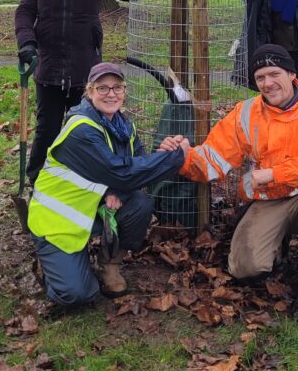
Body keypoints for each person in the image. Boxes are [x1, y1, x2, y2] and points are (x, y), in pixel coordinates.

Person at [172, 44, 298, 322]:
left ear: (291, 74)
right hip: (268, 200)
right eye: (260, 78)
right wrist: (184, 157)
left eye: (274, 74)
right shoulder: (245, 113)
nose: (267, 83)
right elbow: (214, 158)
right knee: (245, 268)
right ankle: (276, 244)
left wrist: (276, 174)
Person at [15, 0, 167, 185]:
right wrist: (27, 42)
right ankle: (36, 182)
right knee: (46, 131)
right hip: (48, 69)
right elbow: (25, 11)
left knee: (85, 134)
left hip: (85, 74)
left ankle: (82, 181)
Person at [27, 62, 185, 307]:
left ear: (124, 91)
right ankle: (51, 264)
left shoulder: (124, 126)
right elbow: (121, 173)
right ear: (89, 92)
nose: (111, 94)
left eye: (117, 87)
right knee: (79, 295)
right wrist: (175, 158)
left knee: (140, 204)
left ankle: (109, 265)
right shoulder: (81, 129)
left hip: (90, 210)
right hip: (57, 223)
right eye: (102, 88)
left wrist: (160, 153)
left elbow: (135, 165)